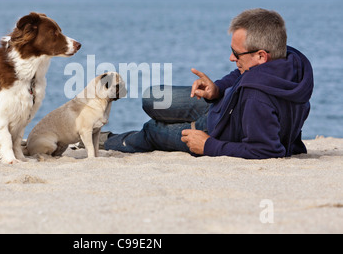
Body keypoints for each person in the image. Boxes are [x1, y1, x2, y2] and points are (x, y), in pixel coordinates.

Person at [104, 8, 314, 159]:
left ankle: (105, 140)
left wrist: (208, 145)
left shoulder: (256, 97)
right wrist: (217, 89)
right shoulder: (289, 60)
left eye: (236, 54)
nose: (232, 58)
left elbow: (267, 151)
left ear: (261, 56)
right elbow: (241, 75)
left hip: (215, 130)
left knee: (152, 130)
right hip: (224, 105)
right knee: (153, 97)